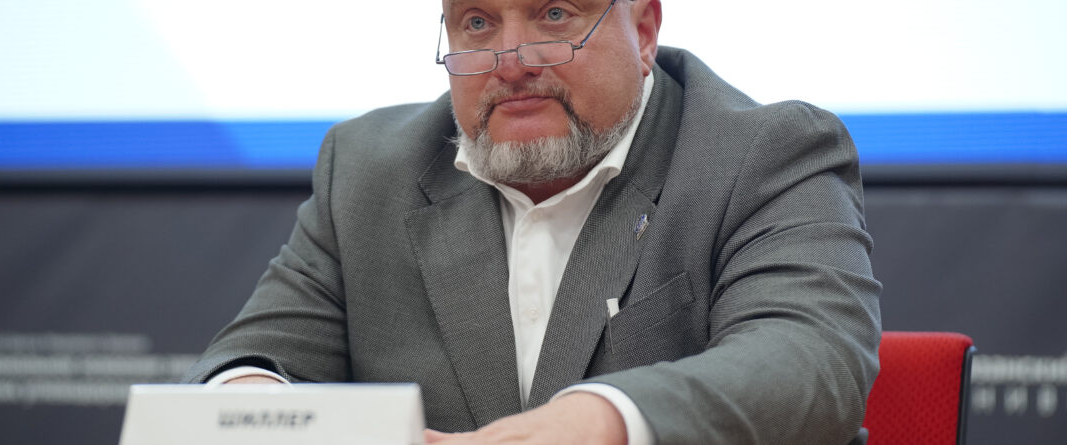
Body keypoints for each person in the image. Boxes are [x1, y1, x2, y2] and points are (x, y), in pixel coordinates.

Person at [183, 0, 882, 443]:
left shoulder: (763, 153)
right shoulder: (368, 169)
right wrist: (252, 416)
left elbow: (813, 360)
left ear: (643, 29)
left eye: (554, 15)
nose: (511, 62)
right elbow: (252, 358)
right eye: (477, 23)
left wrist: (603, 419)